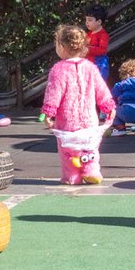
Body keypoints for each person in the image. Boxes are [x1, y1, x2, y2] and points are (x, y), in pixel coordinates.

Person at [41, 23, 115, 185]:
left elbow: (53, 94)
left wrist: (48, 114)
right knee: (90, 146)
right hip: (89, 118)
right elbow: (101, 89)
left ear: (61, 47)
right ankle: (92, 171)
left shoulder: (58, 70)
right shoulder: (90, 67)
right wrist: (109, 106)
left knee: (68, 151)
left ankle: (72, 176)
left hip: (68, 120)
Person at [84, 5, 111, 81]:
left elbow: (102, 50)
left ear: (99, 21)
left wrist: (88, 49)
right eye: (86, 20)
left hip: (99, 63)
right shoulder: (88, 34)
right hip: (89, 63)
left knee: (98, 81)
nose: (87, 22)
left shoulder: (103, 35)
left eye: (89, 20)